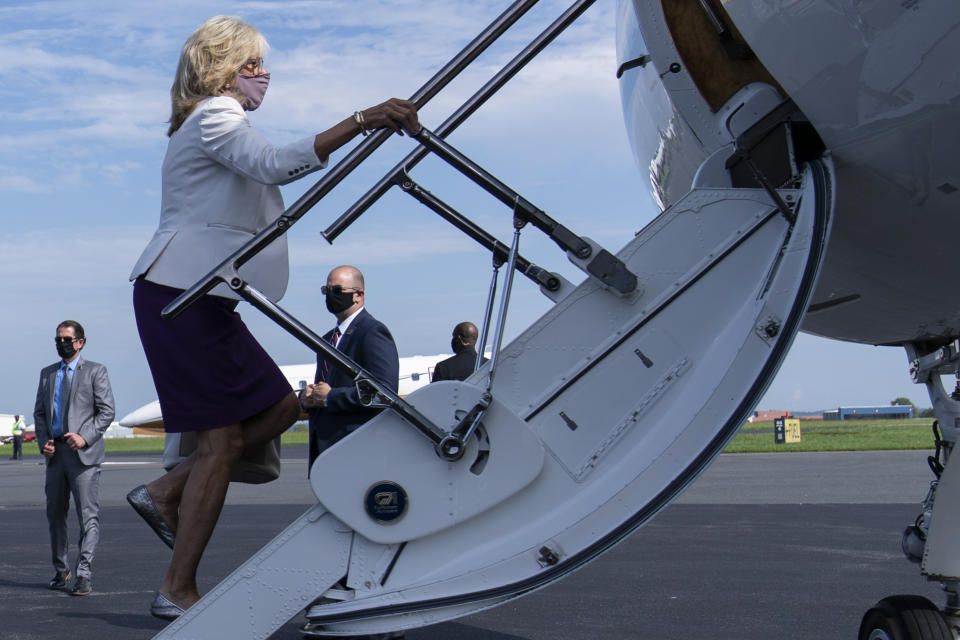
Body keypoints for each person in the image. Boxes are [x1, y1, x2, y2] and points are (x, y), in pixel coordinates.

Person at [124, 16, 418, 622]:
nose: (263, 75)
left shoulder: (208, 123)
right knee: (221, 441)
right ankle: (175, 587)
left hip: (202, 296)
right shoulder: (214, 116)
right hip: (182, 295)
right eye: (252, 64)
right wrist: (362, 119)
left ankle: (166, 493)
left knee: (281, 404)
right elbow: (276, 164)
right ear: (222, 67)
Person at [33, 320, 115, 596]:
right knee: (55, 514)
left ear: (80, 342)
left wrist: (85, 436)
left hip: (83, 454)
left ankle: (83, 573)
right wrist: (44, 441)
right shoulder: (47, 374)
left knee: (87, 516)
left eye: (67, 339)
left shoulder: (95, 371)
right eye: (58, 339)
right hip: (55, 455)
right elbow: (40, 413)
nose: (61, 343)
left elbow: (107, 411)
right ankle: (60, 569)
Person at [301, 265, 400, 467]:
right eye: (326, 291)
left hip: (356, 450)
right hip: (326, 451)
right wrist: (308, 398)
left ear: (358, 295)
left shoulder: (372, 332)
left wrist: (331, 397)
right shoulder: (328, 339)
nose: (330, 296)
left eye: (337, 291)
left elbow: (385, 392)